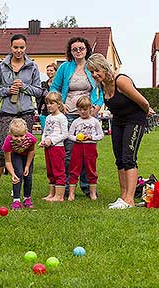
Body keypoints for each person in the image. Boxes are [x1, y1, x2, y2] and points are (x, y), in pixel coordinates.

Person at [86, 53, 155, 209]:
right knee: (119, 159)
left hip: (135, 120)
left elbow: (143, 101)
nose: (95, 74)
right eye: (91, 72)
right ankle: (123, 197)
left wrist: (147, 111)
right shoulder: (102, 85)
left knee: (129, 157)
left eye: (96, 70)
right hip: (118, 121)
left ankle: (129, 200)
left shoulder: (121, 81)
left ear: (104, 67)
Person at [0, 33, 43, 196]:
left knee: (25, 149)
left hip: (26, 113)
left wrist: (24, 87)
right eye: (16, 47)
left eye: (22, 47)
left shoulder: (32, 67)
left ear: (25, 47)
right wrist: (7, 91)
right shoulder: (2, 66)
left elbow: (38, 91)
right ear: (11, 47)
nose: (19, 50)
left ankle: (19, 186)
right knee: (2, 149)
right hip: (6, 113)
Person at [50, 37, 103, 197]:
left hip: (89, 116)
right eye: (75, 49)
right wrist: (59, 103)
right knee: (69, 153)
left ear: (87, 50)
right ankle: (65, 187)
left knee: (88, 153)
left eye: (81, 48)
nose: (78, 51)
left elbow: (102, 90)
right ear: (70, 52)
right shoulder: (65, 67)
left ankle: (87, 187)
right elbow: (54, 87)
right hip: (69, 115)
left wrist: (98, 105)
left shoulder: (92, 67)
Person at [68, 96, 104, 201]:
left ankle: (92, 193)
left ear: (90, 108)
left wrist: (91, 137)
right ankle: (71, 194)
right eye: (80, 110)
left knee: (91, 170)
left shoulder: (95, 121)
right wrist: (76, 138)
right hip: (77, 148)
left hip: (90, 148)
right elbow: (70, 135)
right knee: (74, 169)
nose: (83, 112)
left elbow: (101, 135)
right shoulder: (76, 122)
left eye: (85, 109)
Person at [39, 92, 68, 202]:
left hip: (57, 148)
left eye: (52, 103)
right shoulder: (48, 118)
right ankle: (52, 193)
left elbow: (65, 134)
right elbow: (45, 131)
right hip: (48, 148)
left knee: (58, 170)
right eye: (47, 103)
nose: (49, 106)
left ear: (59, 104)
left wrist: (52, 140)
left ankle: (59, 196)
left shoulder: (62, 118)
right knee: (50, 171)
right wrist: (43, 141)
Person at [2, 118, 37, 209]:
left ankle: (27, 198)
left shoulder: (31, 139)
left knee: (28, 176)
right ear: (10, 134)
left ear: (26, 133)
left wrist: (27, 166)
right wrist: (12, 174)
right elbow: (8, 161)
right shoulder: (8, 142)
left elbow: (32, 151)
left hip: (27, 156)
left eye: (21, 136)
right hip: (15, 155)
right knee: (18, 174)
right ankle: (16, 200)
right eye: (16, 136)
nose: (19, 139)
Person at [37, 63, 58, 130]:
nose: (49, 72)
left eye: (51, 70)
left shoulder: (58, 84)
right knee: (45, 131)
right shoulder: (43, 84)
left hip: (56, 111)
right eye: (48, 70)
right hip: (45, 112)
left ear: (56, 71)